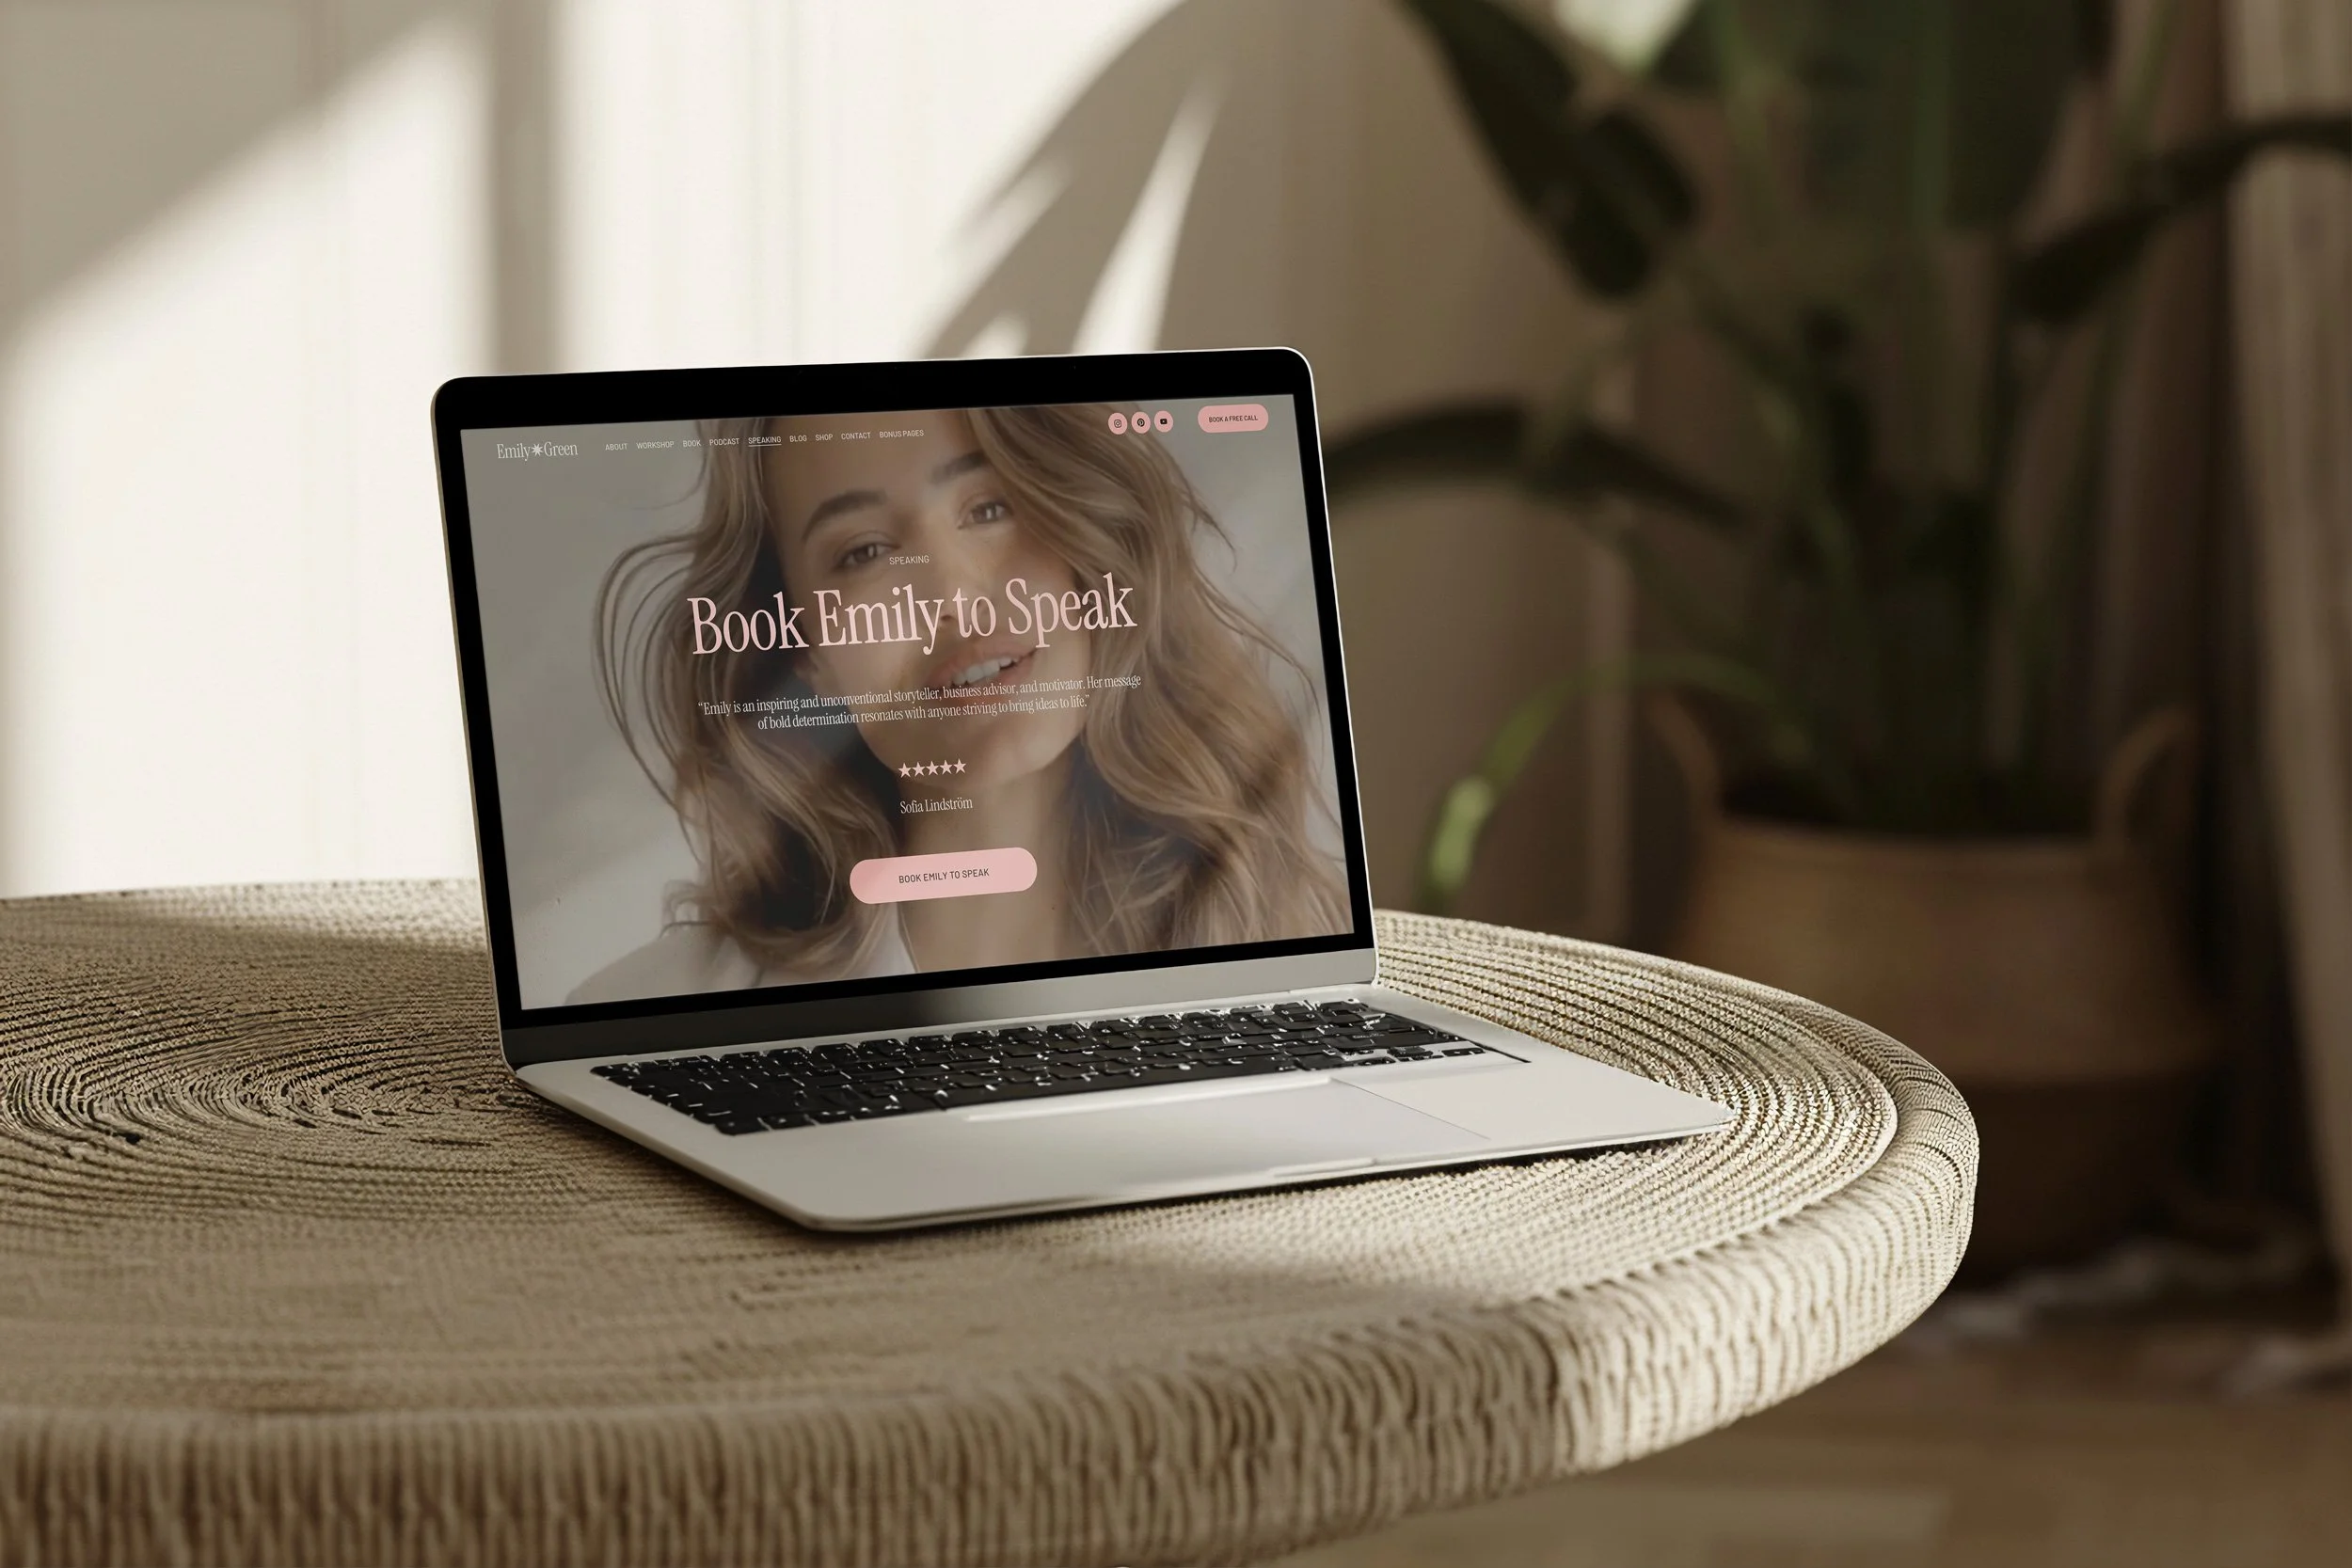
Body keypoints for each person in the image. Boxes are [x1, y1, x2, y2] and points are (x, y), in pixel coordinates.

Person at [570, 404, 1347, 1003]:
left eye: (989, 508)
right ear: (807, 658)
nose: (955, 597)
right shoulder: (649, 1007)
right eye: (864, 552)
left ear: (1088, 546)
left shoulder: (1291, 950)